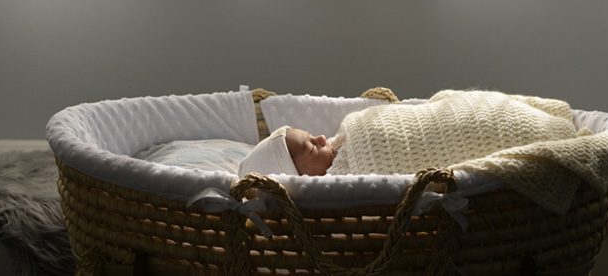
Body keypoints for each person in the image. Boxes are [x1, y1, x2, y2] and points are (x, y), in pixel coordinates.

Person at [237, 90, 577, 178]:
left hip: (437, 126)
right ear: (298, 175)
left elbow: (410, 122)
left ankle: (543, 125)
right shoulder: (340, 184)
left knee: (471, 114)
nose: (322, 139)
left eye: (314, 135)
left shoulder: (346, 136)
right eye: (312, 147)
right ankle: (543, 132)